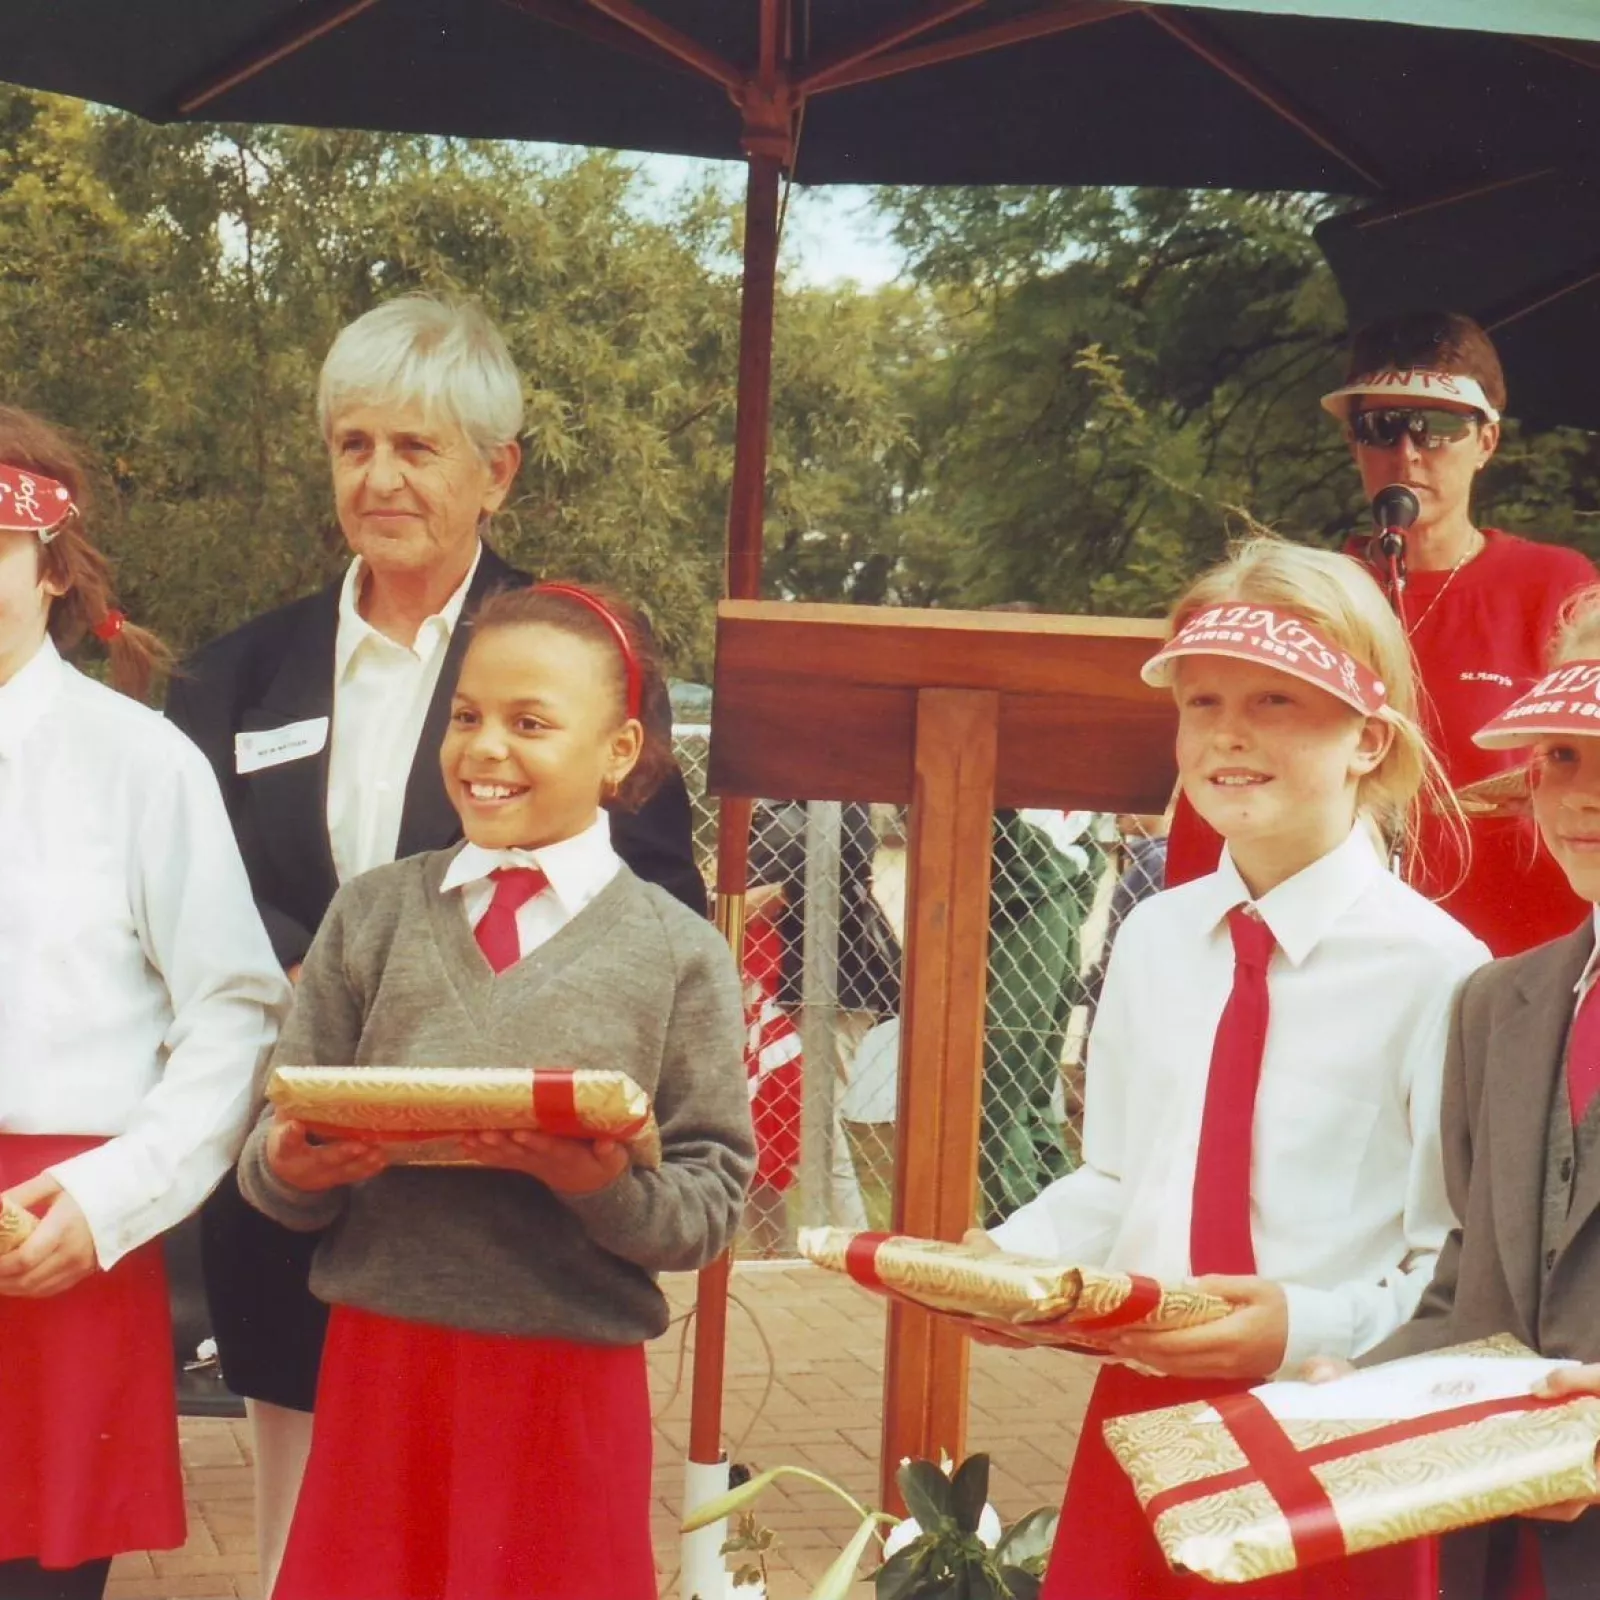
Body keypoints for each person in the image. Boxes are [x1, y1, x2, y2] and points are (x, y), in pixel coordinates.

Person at [164, 295, 707, 1590]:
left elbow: (657, 898)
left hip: (513, 1231)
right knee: (313, 1544)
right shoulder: (231, 679)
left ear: (497, 471)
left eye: (417, 447)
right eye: (354, 445)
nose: (380, 478)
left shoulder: (574, 660)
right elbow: (184, 896)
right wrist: (292, 970)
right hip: (300, 1180)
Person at [981, 537, 1489, 1599]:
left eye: (1275, 701)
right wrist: (1013, 1264)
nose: (1227, 733)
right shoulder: (1155, 937)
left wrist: (1299, 1327)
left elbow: (1453, 1261)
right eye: (1201, 700)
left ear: (1368, 738)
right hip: (1144, 1418)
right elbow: (1124, 1176)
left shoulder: (1441, 972)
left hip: (1333, 1429)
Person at [236, 581, 753, 1600]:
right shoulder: (372, 916)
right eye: (466, 715)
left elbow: (708, 1205)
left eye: (530, 723)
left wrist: (594, 1184)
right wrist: (296, 1166)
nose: (484, 748)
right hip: (383, 1372)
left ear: (618, 750)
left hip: (566, 1385)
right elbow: (273, 1151)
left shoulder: (677, 953)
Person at [0, 408, 287, 1600]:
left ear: (52, 567)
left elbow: (234, 1011)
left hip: (55, 1236)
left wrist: (111, 1198)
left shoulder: (140, 762)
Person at [1165, 312, 1595, 958]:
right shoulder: (1304, 599)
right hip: (1334, 965)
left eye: (1439, 427)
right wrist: (1191, 942)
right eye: (1382, 427)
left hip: (1517, 963)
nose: (1409, 453)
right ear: (1353, 441)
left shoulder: (1557, 586)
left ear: (1487, 440)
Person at [1345, 590, 1600, 1599]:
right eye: (1562, 755)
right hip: (1503, 1556)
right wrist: (1353, 1394)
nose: (1583, 797)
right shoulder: (1496, 1004)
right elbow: (1469, 1286)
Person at [980, 808, 1099, 1224]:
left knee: (1007, 1083)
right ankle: (1046, 1214)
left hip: (1035, 919)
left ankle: (1020, 1216)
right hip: (1043, 912)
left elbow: (1013, 847)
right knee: (1024, 1085)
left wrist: (1057, 871)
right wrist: (1067, 872)